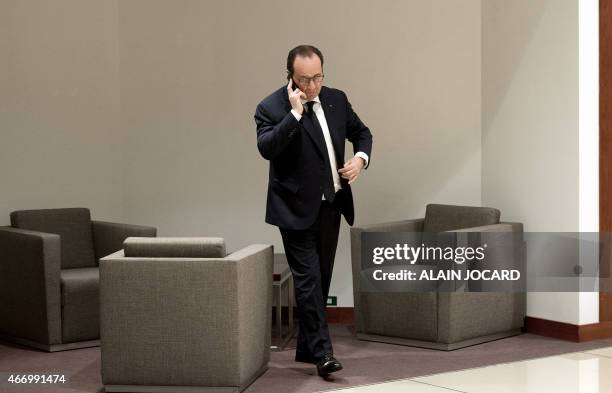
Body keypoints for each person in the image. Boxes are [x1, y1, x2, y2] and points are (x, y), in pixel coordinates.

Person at [254, 45, 373, 377]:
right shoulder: (271, 107)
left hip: (331, 204)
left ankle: (308, 348)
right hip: (293, 209)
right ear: (290, 75)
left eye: (317, 78)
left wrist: (360, 159)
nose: (311, 86)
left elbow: (362, 133)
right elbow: (267, 148)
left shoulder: (336, 99)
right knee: (307, 280)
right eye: (304, 79)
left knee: (320, 279)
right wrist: (293, 115)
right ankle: (323, 354)